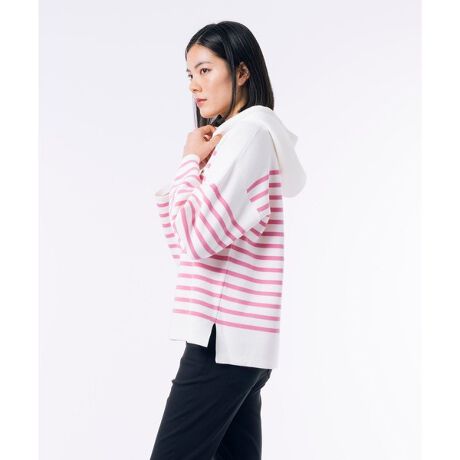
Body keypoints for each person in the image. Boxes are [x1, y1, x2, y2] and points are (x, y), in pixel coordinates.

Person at [150, 20, 306, 460]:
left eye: (205, 70)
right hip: (234, 340)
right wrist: (197, 165)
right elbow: (187, 249)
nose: (194, 86)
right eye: (190, 74)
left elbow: (193, 240)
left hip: (221, 339)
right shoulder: (234, 141)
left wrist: (188, 161)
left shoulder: (248, 136)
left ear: (241, 72)